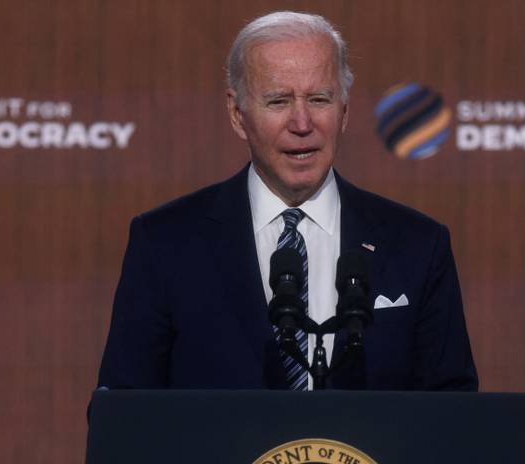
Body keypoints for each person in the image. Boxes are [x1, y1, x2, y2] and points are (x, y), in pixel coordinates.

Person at [97, 11, 477, 391]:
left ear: (344, 111)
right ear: (237, 114)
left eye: (319, 99)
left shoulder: (418, 245)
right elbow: (122, 412)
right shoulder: (165, 244)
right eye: (279, 101)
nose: (302, 123)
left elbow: (455, 412)